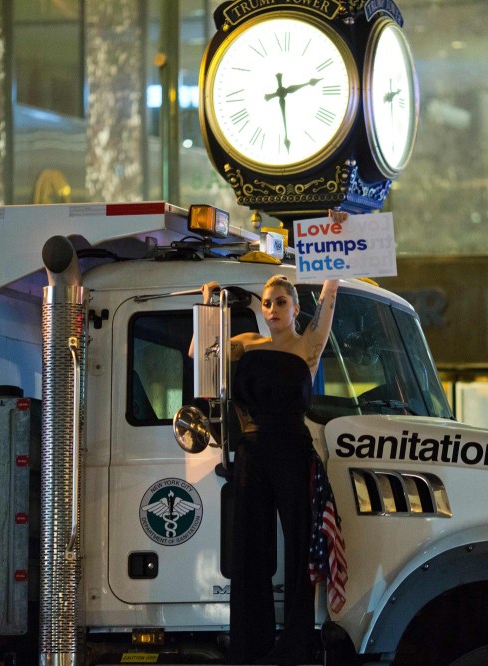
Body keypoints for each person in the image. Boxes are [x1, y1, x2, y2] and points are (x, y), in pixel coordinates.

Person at [193, 213, 345, 665]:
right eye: (267, 302)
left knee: (299, 545)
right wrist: (207, 311)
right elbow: (201, 363)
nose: (272, 308)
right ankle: (251, 645)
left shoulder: (309, 345)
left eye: (280, 301)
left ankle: (296, 643)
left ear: (295, 308)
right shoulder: (243, 343)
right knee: (249, 548)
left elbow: (331, 293)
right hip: (252, 451)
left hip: (293, 452)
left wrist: (337, 236)